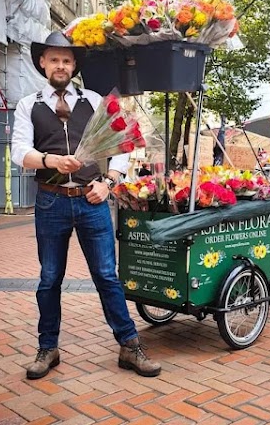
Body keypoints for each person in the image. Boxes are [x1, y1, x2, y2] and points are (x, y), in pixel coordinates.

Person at [11, 31, 161, 380]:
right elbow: (19, 151)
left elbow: (124, 146)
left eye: (66, 60)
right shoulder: (28, 104)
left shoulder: (94, 100)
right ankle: (48, 347)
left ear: (74, 64)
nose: (61, 65)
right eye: (54, 59)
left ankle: (129, 345)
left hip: (92, 201)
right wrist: (50, 161)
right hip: (51, 202)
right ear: (42, 63)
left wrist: (107, 183)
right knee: (49, 279)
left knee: (107, 276)